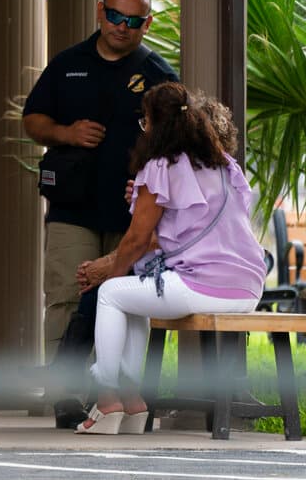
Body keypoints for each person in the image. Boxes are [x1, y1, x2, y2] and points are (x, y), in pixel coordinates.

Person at [22, 0, 178, 427]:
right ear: (99, 11)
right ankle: (65, 394)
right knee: (67, 296)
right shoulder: (68, 63)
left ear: (147, 25)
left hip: (132, 215)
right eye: (114, 15)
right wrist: (66, 133)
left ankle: (111, 394)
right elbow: (32, 119)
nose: (121, 26)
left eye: (132, 20)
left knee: (124, 302)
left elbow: (177, 141)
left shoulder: (158, 73)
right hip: (72, 207)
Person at [73, 83, 266, 434]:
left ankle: (107, 398)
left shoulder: (160, 166)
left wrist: (111, 274)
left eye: (145, 122)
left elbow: (137, 240)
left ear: (155, 125)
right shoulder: (223, 164)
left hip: (204, 284)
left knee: (112, 294)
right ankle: (132, 402)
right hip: (249, 287)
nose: (143, 129)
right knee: (132, 299)